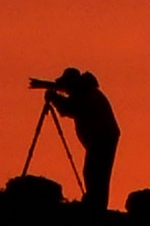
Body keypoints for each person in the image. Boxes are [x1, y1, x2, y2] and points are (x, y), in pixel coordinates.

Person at [45, 68, 120, 210]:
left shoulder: (88, 96)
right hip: (100, 139)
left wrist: (54, 97)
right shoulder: (87, 92)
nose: (67, 91)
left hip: (102, 139)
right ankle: (94, 203)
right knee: (94, 173)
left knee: (95, 173)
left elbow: (69, 108)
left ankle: (96, 206)